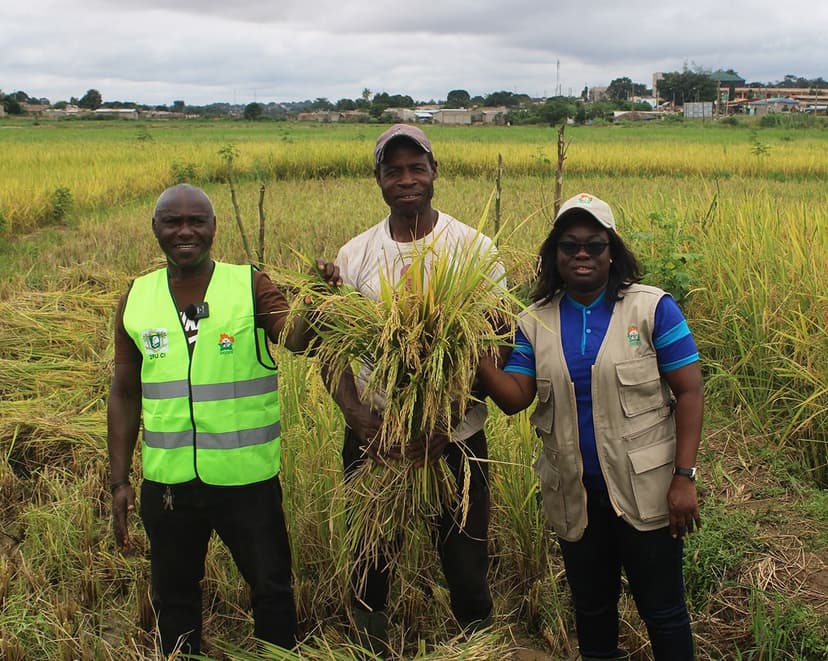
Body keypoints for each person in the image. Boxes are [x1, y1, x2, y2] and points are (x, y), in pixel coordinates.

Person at [107, 183, 339, 655]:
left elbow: (294, 338)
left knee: (271, 589)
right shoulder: (137, 297)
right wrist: (118, 480)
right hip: (169, 483)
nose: (185, 231)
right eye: (172, 221)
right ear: (155, 229)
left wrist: (318, 298)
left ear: (215, 227)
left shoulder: (249, 283)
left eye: (197, 221)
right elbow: (125, 391)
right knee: (174, 597)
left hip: (246, 481)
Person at [477, 193, 703, 661]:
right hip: (574, 497)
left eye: (595, 245)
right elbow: (515, 399)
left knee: (663, 613)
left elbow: (690, 392)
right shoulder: (534, 322)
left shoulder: (652, 309)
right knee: (593, 611)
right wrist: (476, 353)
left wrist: (684, 478)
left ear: (612, 252)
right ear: (554, 255)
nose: (582, 254)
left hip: (648, 492)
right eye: (569, 245)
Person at [327, 124, 504, 652]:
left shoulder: (473, 249)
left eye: (416, 168)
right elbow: (331, 352)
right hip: (375, 441)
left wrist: (445, 426)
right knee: (369, 559)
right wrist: (358, 418)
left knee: (466, 562)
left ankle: (477, 642)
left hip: (455, 441)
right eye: (393, 170)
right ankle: (370, 642)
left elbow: (492, 348)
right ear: (377, 179)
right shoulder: (355, 255)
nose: (406, 179)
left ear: (434, 172)